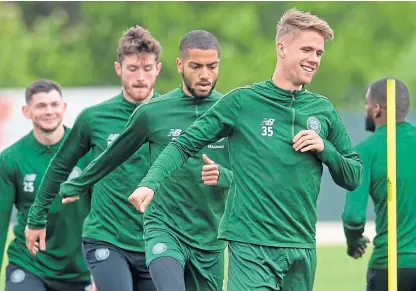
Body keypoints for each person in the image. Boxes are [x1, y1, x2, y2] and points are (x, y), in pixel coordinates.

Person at [126, 8, 363, 291]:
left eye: (319, 53)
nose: (314, 59)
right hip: (251, 247)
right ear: (282, 48)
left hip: (301, 248)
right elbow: (183, 144)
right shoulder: (242, 102)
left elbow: (353, 175)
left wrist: (326, 149)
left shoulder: (322, 110)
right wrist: (150, 183)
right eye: (307, 50)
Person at [58, 30, 232, 291]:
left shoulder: (230, 111)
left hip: (209, 238)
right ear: (179, 65)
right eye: (196, 66)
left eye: (212, 66)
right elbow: (114, 155)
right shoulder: (152, 112)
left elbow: (252, 173)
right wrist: (80, 183)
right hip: (164, 229)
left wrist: (224, 176)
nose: (205, 75)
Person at [25, 25, 162, 291]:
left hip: (156, 241)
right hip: (106, 237)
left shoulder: (170, 115)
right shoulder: (94, 118)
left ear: (158, 68)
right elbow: (59, 166)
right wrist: (36, 217)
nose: (141, 77)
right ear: (118, 68)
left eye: (147, 68)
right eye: (132, 68)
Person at [0, 79, 94, 291]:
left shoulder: (88, 150)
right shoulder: (10, 159)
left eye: (54, 104)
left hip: (82, 268)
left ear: (64, 107)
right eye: (41, 106)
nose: (49, 111)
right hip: (30, 265)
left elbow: (106, 211)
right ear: (26, 111)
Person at [342, 78, 416, 291]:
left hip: (391, 265)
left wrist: (354, 242)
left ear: (376, 109)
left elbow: (353, 217)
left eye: (366, 104)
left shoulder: (366, 151)